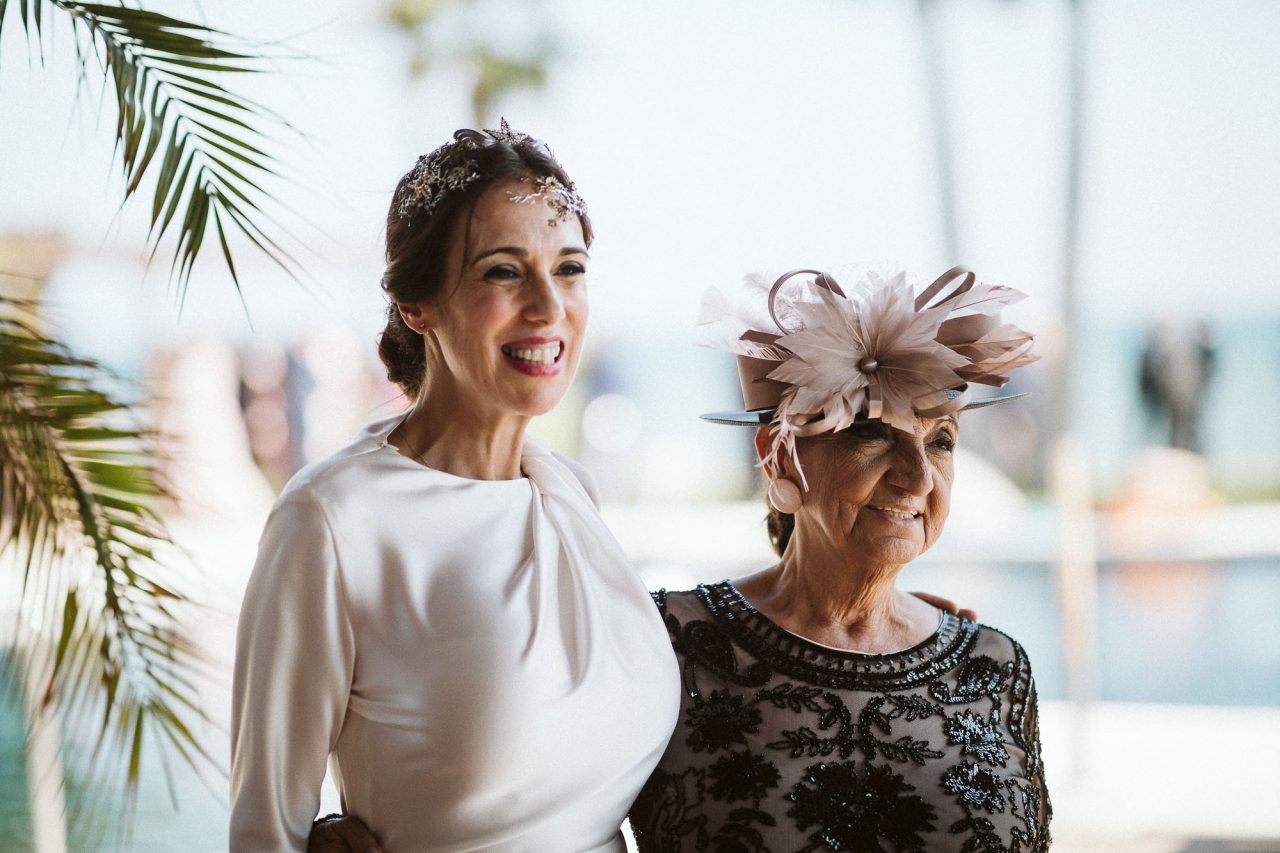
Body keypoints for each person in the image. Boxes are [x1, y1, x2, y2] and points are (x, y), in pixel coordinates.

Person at [229, 122, 683, 851]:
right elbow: (262, 832)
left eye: (568, 268)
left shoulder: (569, 492)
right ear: (418, 304)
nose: (547, 306)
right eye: (504, 271)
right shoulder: (332, 520)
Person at [628, 266, 1051, 852]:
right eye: (871, 433)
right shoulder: (670, 644)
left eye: (941, 440)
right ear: (778, 457)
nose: (917, 477)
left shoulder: (994, 667)